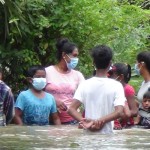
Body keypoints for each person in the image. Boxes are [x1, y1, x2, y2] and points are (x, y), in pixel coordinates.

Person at [68, 45, 126, 134]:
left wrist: (84, 121)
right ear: (110, 63)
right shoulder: (117, 85)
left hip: (87, 139)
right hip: (107, 138)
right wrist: (100, 121)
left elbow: (71, 109)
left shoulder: (84, 84)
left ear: (93, 62)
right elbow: (119, 112)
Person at [45, 38, 85, 124]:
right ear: (64, 55)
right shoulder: (47, 72)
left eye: (77, 56)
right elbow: (37, 93)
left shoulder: (78, 75)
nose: (76, 59)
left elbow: (84, 95)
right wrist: (53, 101)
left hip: (71, 121)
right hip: (48, 119)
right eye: (74, 55)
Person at [108, 63, 138, 129]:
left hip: (126, 125)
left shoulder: (127, 89)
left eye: (112, 75)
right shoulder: (112, 88)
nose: (109, 77)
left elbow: (134, 111)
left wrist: (118, 118)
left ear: (120, 77)